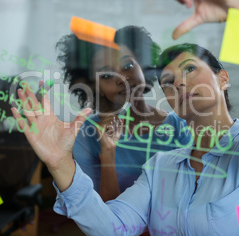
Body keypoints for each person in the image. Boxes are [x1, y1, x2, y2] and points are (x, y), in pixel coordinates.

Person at [12, 0, 239, 235]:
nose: (180, 83)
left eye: (190, 69)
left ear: (223, 78)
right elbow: (112, 226)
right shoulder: (159, 168)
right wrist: (59, 163)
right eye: (168, 82)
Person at [55, 26, 190, 201]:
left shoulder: (180, 125)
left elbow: (190, 195)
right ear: (96, 87)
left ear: (142, 65)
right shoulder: (87, 134)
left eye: (128, 65)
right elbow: (103, 211)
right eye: (106, 76)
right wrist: (108, 152)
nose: (121, 78)